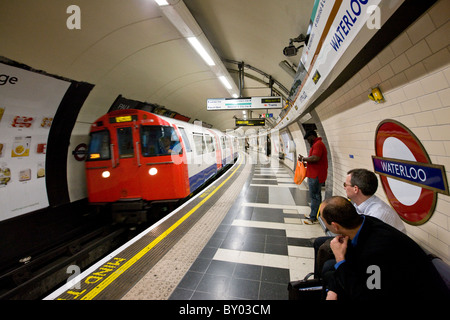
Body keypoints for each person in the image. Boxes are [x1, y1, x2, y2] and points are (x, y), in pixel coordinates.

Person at [320, 196, 449, 300]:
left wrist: (340, 260)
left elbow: (368, 296)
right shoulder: (364, 223)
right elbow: (352, 264)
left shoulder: (375, 251)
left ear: (335, 226)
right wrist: (333, 290)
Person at [345, 168, 406, 233]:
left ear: (355, 189)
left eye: (345, 185)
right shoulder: (356, 205)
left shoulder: (378, 214)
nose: (344, 188)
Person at [298, 130, 328, 224]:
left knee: (314, 196)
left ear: (312, 136)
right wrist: (306, 161)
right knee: (316, 195)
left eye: (308, 139)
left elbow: (315, 158)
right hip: (314, 174)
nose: (308, 141)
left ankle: (313, 217)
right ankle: (314, 214)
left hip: (316, 175)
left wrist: (303, 159)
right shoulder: (317, 144)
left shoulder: (318, 144)